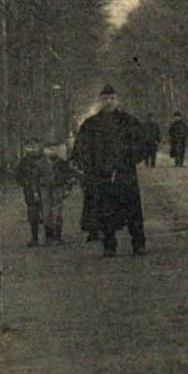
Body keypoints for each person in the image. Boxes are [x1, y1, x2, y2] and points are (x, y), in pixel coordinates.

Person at [71, 84, 148, 257]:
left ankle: (139, 244)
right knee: (106, 212)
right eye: (105, 99)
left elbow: (142, 143)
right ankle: (109, 245)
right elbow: (81, 149)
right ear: (100, 101)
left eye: (112, 98)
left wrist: (130, 160)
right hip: (102, 176)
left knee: (133, 211)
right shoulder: (91, 125)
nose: (109, 102)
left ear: (117, 100)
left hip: (125, 174)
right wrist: (91, 167)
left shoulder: (129, 121)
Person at [14, 138, 49, 246]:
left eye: (34, 147)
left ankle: (50, 237)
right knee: (32, 214)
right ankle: (35, 238)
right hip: (30, 190)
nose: (32, 149)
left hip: (44, 189)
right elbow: (18, 174)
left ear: (39, 147)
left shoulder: (45, 160)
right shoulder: (23, 161)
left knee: (47, 212)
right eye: (29, 147)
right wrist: (23, 182)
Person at [41, 143, 77, 243]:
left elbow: (69, 176)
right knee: (47, 212)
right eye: (48, 149)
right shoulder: (41, 163)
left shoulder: (61, 163)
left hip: (58, 188)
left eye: (53, 149)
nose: (50, 151)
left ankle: (58, 236)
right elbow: (35, 177)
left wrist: (67, 189)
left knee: (58, 212)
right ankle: (48, 236)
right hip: (45, 189)